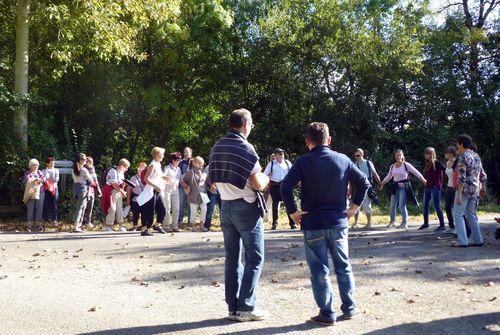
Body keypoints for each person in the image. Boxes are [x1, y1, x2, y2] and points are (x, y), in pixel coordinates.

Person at [280, 122, 370, 326]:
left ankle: (327, 313)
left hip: (312, 222)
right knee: (343, 266)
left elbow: (285, 187)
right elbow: (364, 182)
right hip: (338, 221)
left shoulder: (303, 162)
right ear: (329, 140)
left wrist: (293, 212)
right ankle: (349, 307)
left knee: (319, 270)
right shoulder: (343, 159)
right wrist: (354, 207)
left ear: (307, 142)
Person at [209, 108, 270, 322]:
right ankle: (246, 307)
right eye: (251, 123)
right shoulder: (245, 147)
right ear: (245, 124)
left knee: (232, 259)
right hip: (246, 206)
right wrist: (266, 179)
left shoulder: (217, 146)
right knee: (255, 258)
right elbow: (256, 183)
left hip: (225, 206)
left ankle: (233, 307)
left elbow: (212, 180)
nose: (251, 126)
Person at [451, 134, 487, 247]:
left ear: (461, 144)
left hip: (465, 189)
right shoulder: (476, 155)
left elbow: (461, 177)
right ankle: (478, 240)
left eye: (457, 143)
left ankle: (463, 241)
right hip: (475, 189)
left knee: (458, 214)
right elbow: (482, 174)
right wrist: (483, 187)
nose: (457, 146)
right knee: (471, 214)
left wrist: (460, 195)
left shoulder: (463, 157)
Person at [379, 150, 426, 229]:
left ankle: (404, 223)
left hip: (403, 188)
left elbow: (416, 172)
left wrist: (424, 180)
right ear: (395, 156)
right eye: (397, 155)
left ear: (402, 156)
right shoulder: (392, 166)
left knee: (401, 205)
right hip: (395, 187)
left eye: (399, 155)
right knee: (392, 205)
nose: (398, 157)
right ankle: (392, 222)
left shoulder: (406, 165)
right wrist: (382, 183)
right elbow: (389, 176)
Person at [263, 148, 295, 230]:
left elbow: (293, 173)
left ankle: (292, 223)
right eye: (280, 154)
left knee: (288, 203)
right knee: (275, 204)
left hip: (285, 185)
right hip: (275, 186)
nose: (282, 155)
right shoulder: (272, 164)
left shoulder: (287, 163)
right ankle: (274, 224)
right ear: (276, 155)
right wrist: (266, 183)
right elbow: (265, 174)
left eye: (282, 153)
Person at [139, 147, 168, 236]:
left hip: (157, 191)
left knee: (162, 209)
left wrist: (164, 177)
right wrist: (155, 186)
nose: (163, 156)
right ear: (156, 155)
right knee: (149, 211)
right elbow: (146, 179)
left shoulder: (158, 165)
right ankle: (144, 229)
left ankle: (157, 225)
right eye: (161, 154)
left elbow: (158, 176)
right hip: (151, 191)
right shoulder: (152, 165)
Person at [351, 149, 381, 229]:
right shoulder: (354, 164)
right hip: (358, 187)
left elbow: (375, 174)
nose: (356, 157)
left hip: (367, 186)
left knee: (366, 205)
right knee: (356, 204)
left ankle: (369, 223)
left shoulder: (368, 163)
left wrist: (380, 183)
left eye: (358, 156)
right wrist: (350, 190)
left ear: (362, 154)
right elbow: (352, 178)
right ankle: (356, 223)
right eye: (355, 156)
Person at [419, 147, 447, 231]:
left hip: (435, 187)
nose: (426, 155)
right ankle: (426, 223)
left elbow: (445, 170)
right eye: (425, 153)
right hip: (428, 186)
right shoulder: (427, 163)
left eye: (428, 153)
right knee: (425, 205)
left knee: (437, 206)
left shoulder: (437, 162)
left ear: (431, 154)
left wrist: (440, 184)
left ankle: (442, 225)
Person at [100, 159, 130, 232]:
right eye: (126, 168)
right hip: (110, 191)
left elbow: (120, 184)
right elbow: (114, 184)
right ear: (122, 166)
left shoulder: (121, 172)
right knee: (112, 208)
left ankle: (121, 225)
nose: (126, 169)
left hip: (118, 191)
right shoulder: (113, 171)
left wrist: (123, 185)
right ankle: (109, 226)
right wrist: (122, 191)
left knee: (119, 209)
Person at [182, 156, 208, 232]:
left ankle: (201, 225)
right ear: (195, 164)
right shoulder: (190, 172)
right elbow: (182, 181)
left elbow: (206, 181)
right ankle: (193, 226)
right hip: (193, 194)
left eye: (202, 164)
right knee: (194, 210)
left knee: (204, 209)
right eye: (200, 164)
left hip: (203, 193)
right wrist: (187, 187)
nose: (201, 165)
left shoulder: (203, 172)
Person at [72, 153, 95, 233]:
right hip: (83, 189)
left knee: (81, 207)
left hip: (76, 189)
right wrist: (93, 177)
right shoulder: (84, 170)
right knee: (80, 208)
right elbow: (91, 180)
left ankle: (78, 225)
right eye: (84, 159)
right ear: (80, 161)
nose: (86, 160)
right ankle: (76, 226)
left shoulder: (74, 169)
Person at [23, 158, 46, 230]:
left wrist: (40, 180)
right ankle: (29, 226)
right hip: (30, 192)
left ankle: (38, 225)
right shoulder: (27, 173)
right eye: (34, 165)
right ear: (30, 165)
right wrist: (36, 179)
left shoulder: (40, 172)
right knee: (30, 209)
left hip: (40, 192)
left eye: (37, 165)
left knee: (39, 208)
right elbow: (26, 180)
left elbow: (44, 179)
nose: (36, 166)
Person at [163, 153, 182, 232]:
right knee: (167, 208)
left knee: (176, 208)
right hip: (167, 189)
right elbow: (162, 177)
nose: (179, 161)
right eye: (177, 160)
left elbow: (180, 179)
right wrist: (167, 179)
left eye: (179, 160)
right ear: (173, 160)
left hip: (175, 189)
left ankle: (174, 226)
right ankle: (166, 226)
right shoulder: (167, 168)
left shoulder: (179, 169)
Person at [126, 162, 147, 231]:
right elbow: (129, 189)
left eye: (143, 168)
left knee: (145, 213)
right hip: (136, 198)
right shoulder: (133, 178)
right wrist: (128, 200)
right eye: (140, 167)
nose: (141, 169)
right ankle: (135, 226)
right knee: (136, 212)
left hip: (145, 198)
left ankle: (144, 226)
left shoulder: (147, 177)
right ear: (137, 168)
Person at [82, 156, 101, 228]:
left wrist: (98, 190)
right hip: (86, 188)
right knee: (84, 205)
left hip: (92, 189)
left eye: (89, 162)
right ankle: (83, 221)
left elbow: (95, 180)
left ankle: (88, 221)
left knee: (90, 206)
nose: (88, 163)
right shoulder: (83, 169)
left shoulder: (92, 169)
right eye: (87, 162)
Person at [178, 147, 193, 226]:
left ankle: (190, 221)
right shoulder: (180, 162)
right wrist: (183, 184)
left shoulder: (193, 162)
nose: (186, 153)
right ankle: (179, 221)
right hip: (182, 185)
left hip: (191, 186)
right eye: (184, 152)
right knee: (181, 204)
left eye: (187, 152)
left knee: (190, 204)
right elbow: (178, 173)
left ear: (191, 152)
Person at [443, 146, 457, 233]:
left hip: (455, 187)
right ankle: (451, 226)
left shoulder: (456, 162)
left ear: (451, 154)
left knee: (455, 208)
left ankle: (457, 227)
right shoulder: (447, 162)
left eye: (446, 152)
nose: (445, 154)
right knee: (447, 207)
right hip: (449, 187)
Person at [42, 157, 59, 224]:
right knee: (46, 203)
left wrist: (48, 180)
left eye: (53, 163)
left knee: (54, 203)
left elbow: (56, 179)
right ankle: (45, 218)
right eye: (51, 162)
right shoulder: (43, 171)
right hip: (46, 188)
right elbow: (44, 180)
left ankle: (54, 219)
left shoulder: (56, 170)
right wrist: (50, 180)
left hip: (54, 188)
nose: (52, 164)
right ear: (47, 163)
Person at [204, 163, 221, 231]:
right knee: (210, 209)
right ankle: (207, 226)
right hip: (212, 192)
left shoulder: (223, 165)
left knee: (223, 210)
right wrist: (211, 185)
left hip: (222, 192)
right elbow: (205, 178)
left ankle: (224, 226)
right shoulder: (208, 167)